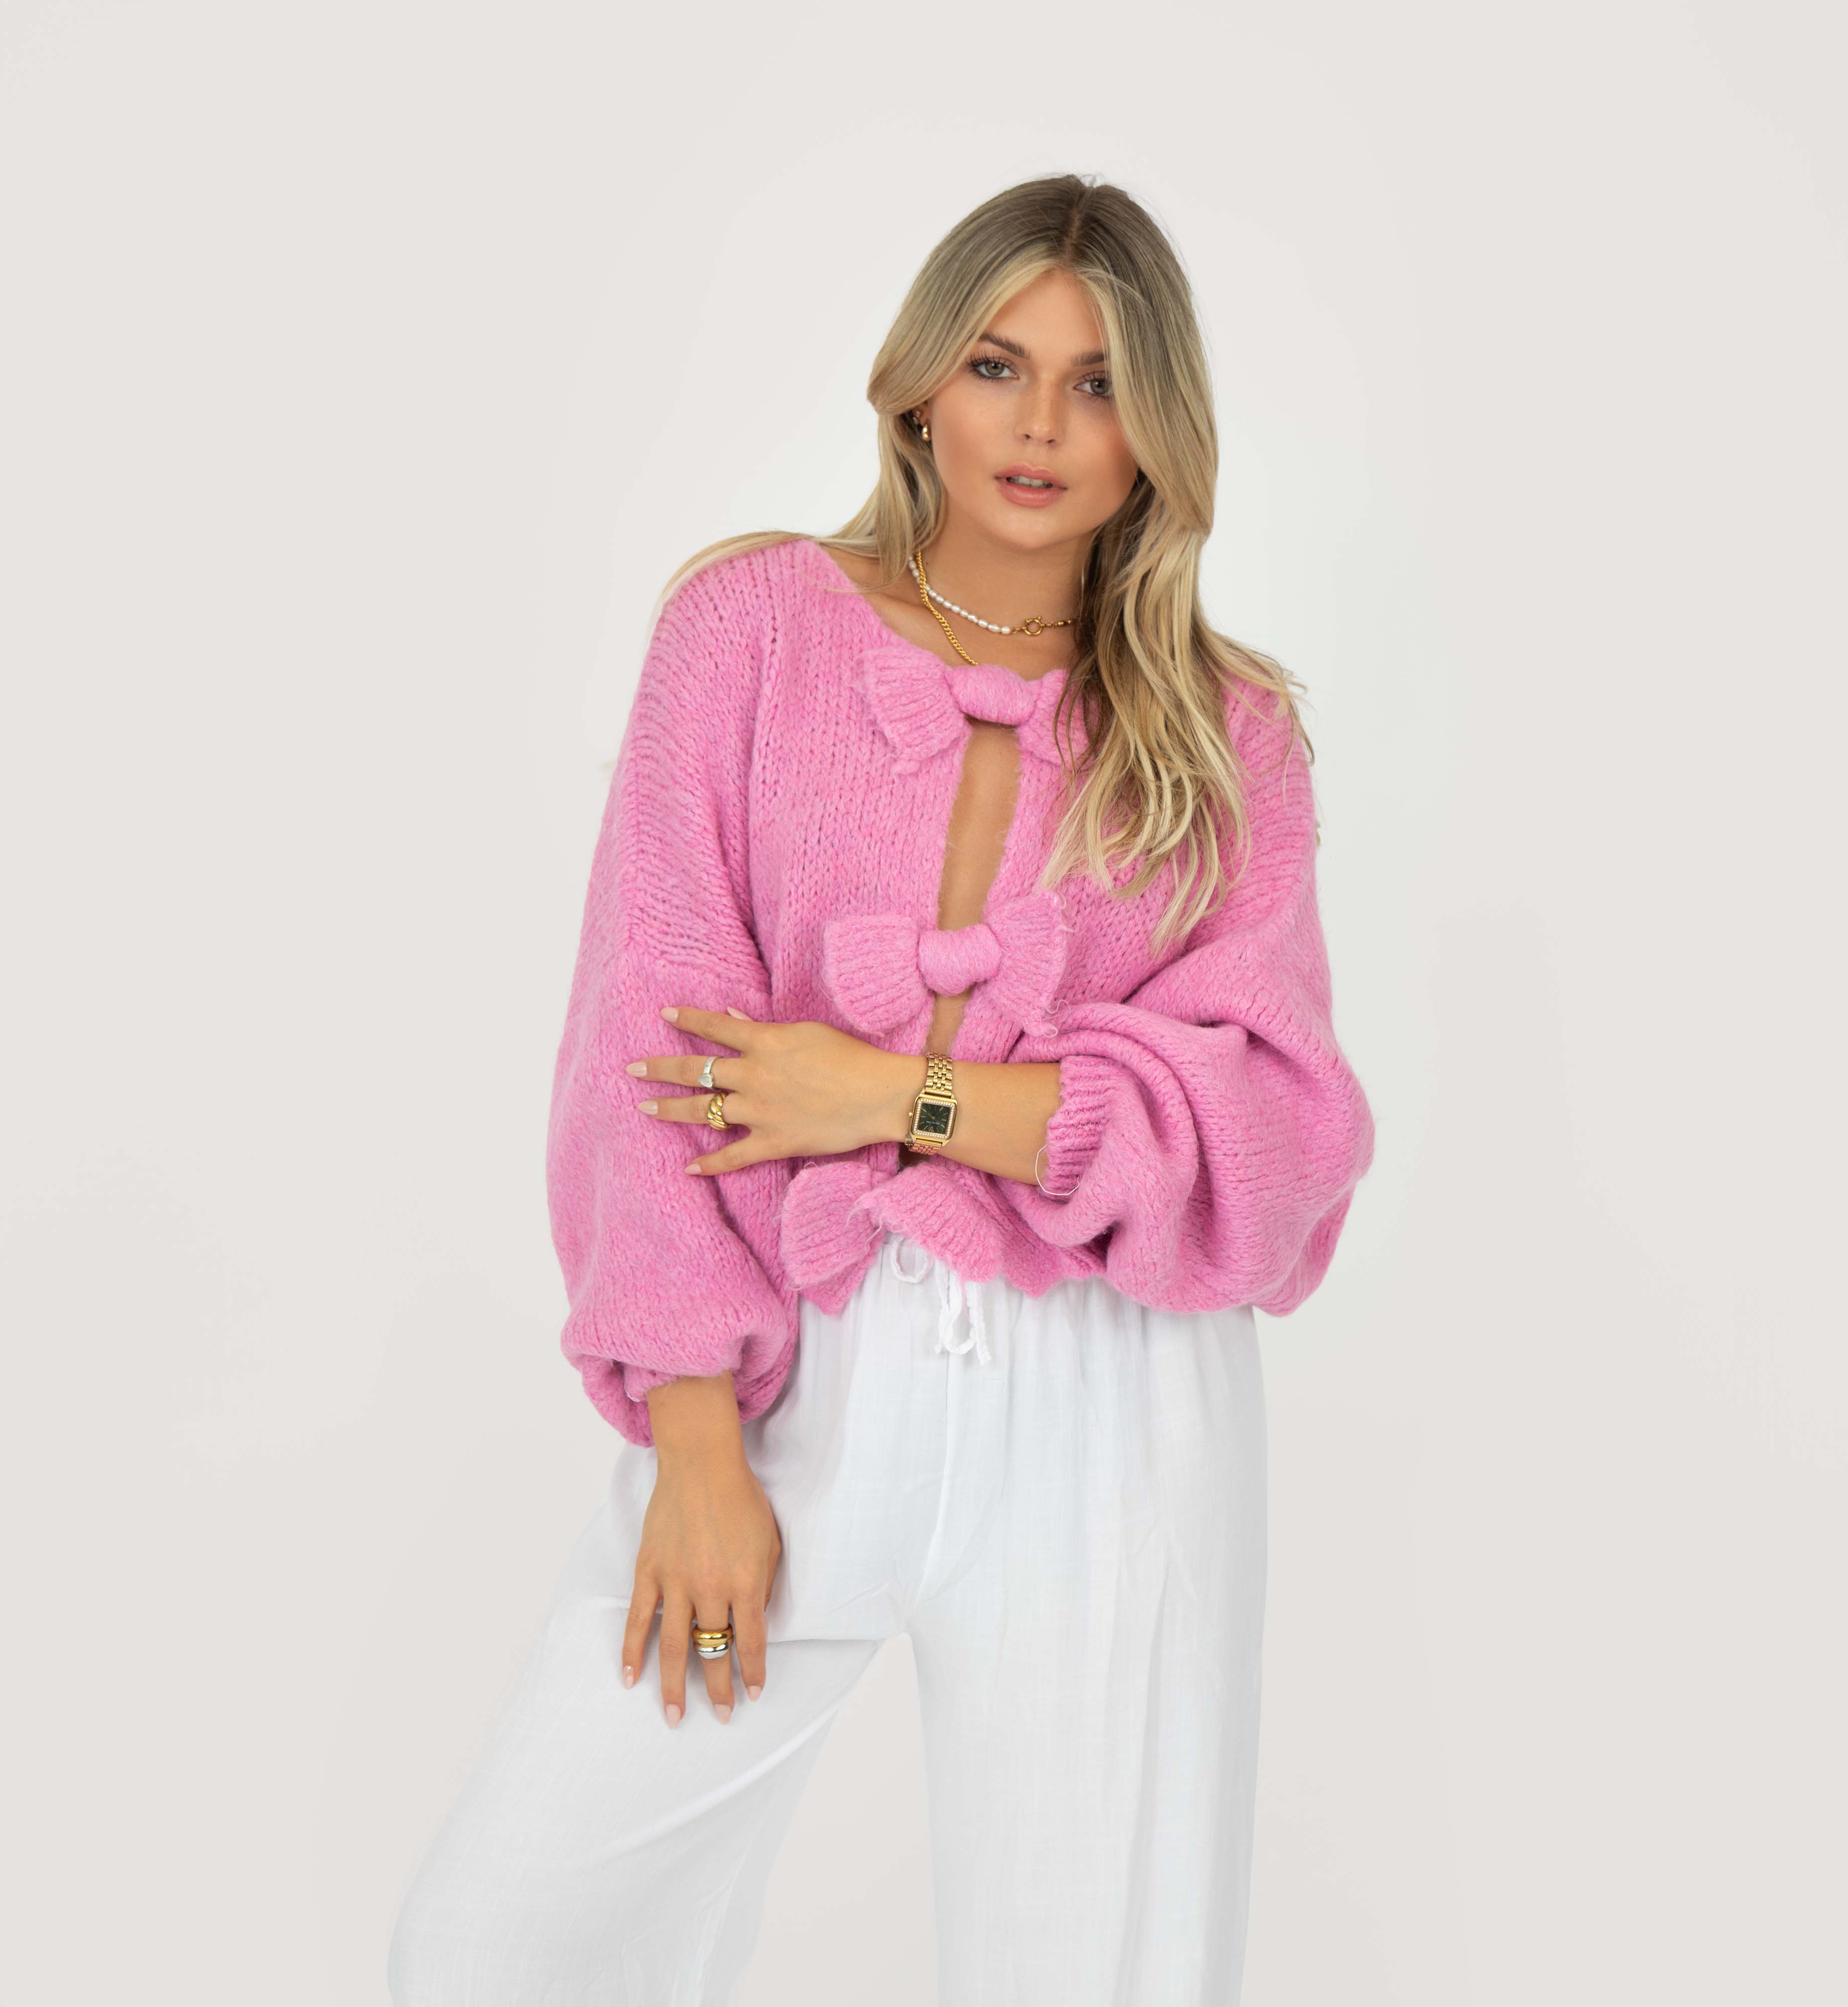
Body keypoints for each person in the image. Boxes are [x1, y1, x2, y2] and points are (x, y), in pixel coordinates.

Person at [387, 171, 1374, 2006]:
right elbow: (645, 1034)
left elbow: (1278, 1143)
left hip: (1111, 1398)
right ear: (919, 384)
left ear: (1158, 431)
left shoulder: (1230, 733)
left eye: (1100, 382)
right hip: (788, 1379)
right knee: (497, 1945)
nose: (1042, 424)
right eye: (999, 365)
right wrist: (696, 1443)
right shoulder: (750, 628)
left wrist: (891, 1097)